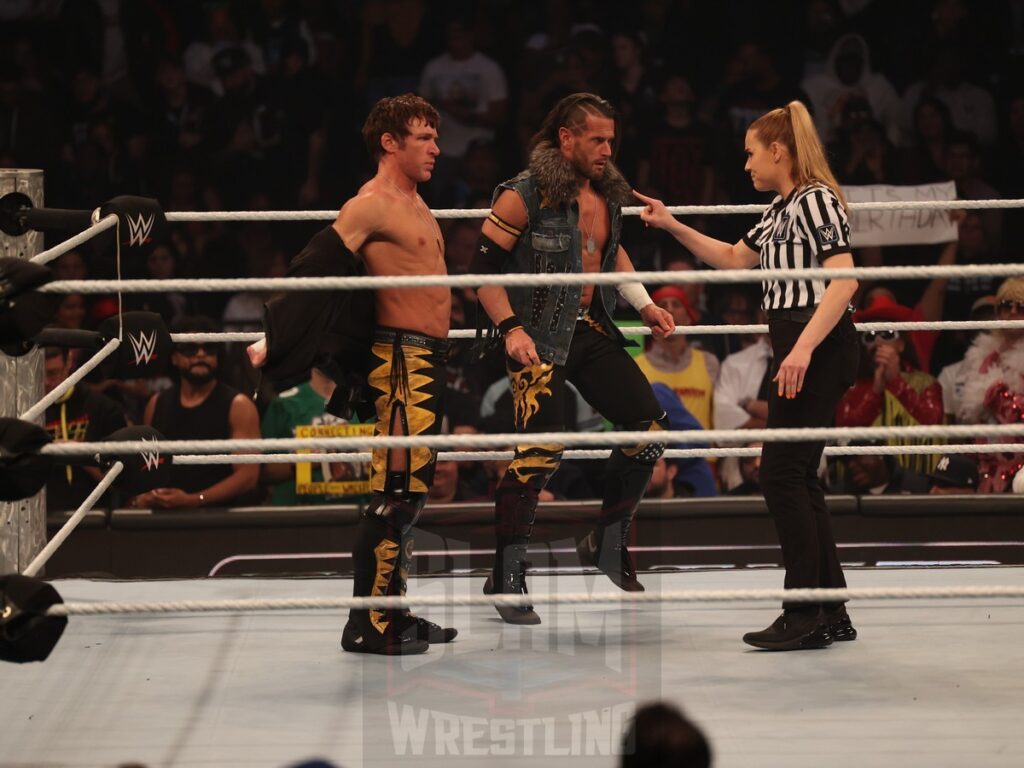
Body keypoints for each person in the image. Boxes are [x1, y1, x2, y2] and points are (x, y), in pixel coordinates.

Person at [636, 100, 860, 651]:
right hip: (801, 342)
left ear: (778, 151)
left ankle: (804, 610)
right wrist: (670, 223)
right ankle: (829, 610)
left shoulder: (816, 199)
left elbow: (846, 281)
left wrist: (803, 348)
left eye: (751, 153)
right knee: (799, 476)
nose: (746, 165)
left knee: (781, 475)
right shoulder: (783, 206)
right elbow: (736, 260)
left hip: (817, 343)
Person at [248, 94, 454, 655]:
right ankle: (365, 623)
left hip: (427, 359)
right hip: (400, 362)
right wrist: (277, 336)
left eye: (436, 137)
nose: (437, 147)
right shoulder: (370, 204)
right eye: (424, 138)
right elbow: (316, 266)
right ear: (390, 143)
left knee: (408, 490)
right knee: (395, 492)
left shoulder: (417, 203)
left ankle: (395, 612)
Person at [471, 92, 675, 625]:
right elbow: (481, 273)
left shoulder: (608, 193)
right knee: (539, 451)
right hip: (535, 336)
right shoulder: (523, 194)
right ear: (566, 138)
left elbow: (610, 253)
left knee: (649, 427)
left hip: (589, 329)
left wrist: (645, 303)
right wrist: (510, 329)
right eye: (597, 139)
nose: (608, 149)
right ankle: (507, 575)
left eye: (612, 139)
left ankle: (606, 542)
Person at [139, 317, 261, 510]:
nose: (201, 355)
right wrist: (145, 496)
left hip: (220, 519)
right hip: (165, 517)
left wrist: (194, 500)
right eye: (190, 349)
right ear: (174, 357)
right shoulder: (156, 404)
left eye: (209, 349)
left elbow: (248, 476)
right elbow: (148, 469)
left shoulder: (238, 406)